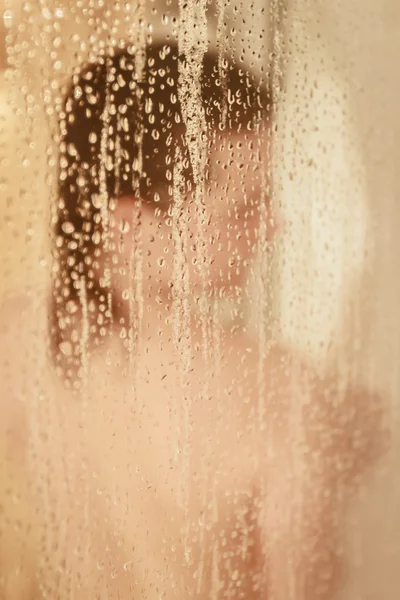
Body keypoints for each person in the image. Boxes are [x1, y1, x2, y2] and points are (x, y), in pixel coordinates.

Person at [0, 41, 385, 599]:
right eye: (246, 206)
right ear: (129, 221)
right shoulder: (275, 390)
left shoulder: (16, 340)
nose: (274, 225)